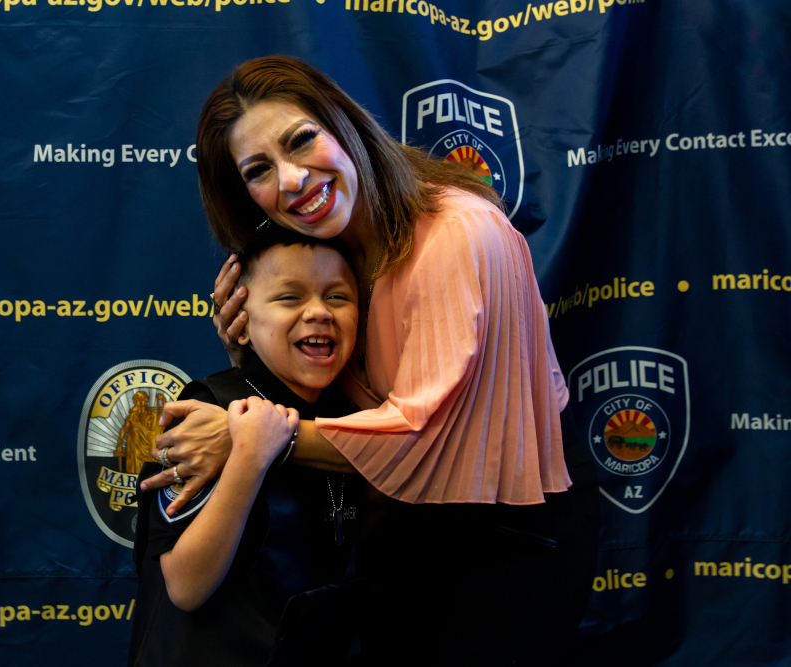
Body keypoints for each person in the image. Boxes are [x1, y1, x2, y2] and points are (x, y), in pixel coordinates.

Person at [144, 55, 599, 665]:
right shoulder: (326, 254)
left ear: (344, 124)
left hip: (503, 536)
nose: (291, 180)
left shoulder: (459, 231)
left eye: (301, 140)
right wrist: (257, 365)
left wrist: (242, 433)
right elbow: (345, 410)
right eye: (259, 170)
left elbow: (423, 435)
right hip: (395, 528)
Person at [128, 228, 367, 667]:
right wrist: (250, 455)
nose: (319, 312)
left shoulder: (353, 418)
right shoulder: (207, 411)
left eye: (337, 297)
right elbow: (184, 585)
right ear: (241, 319)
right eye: (289, 298)